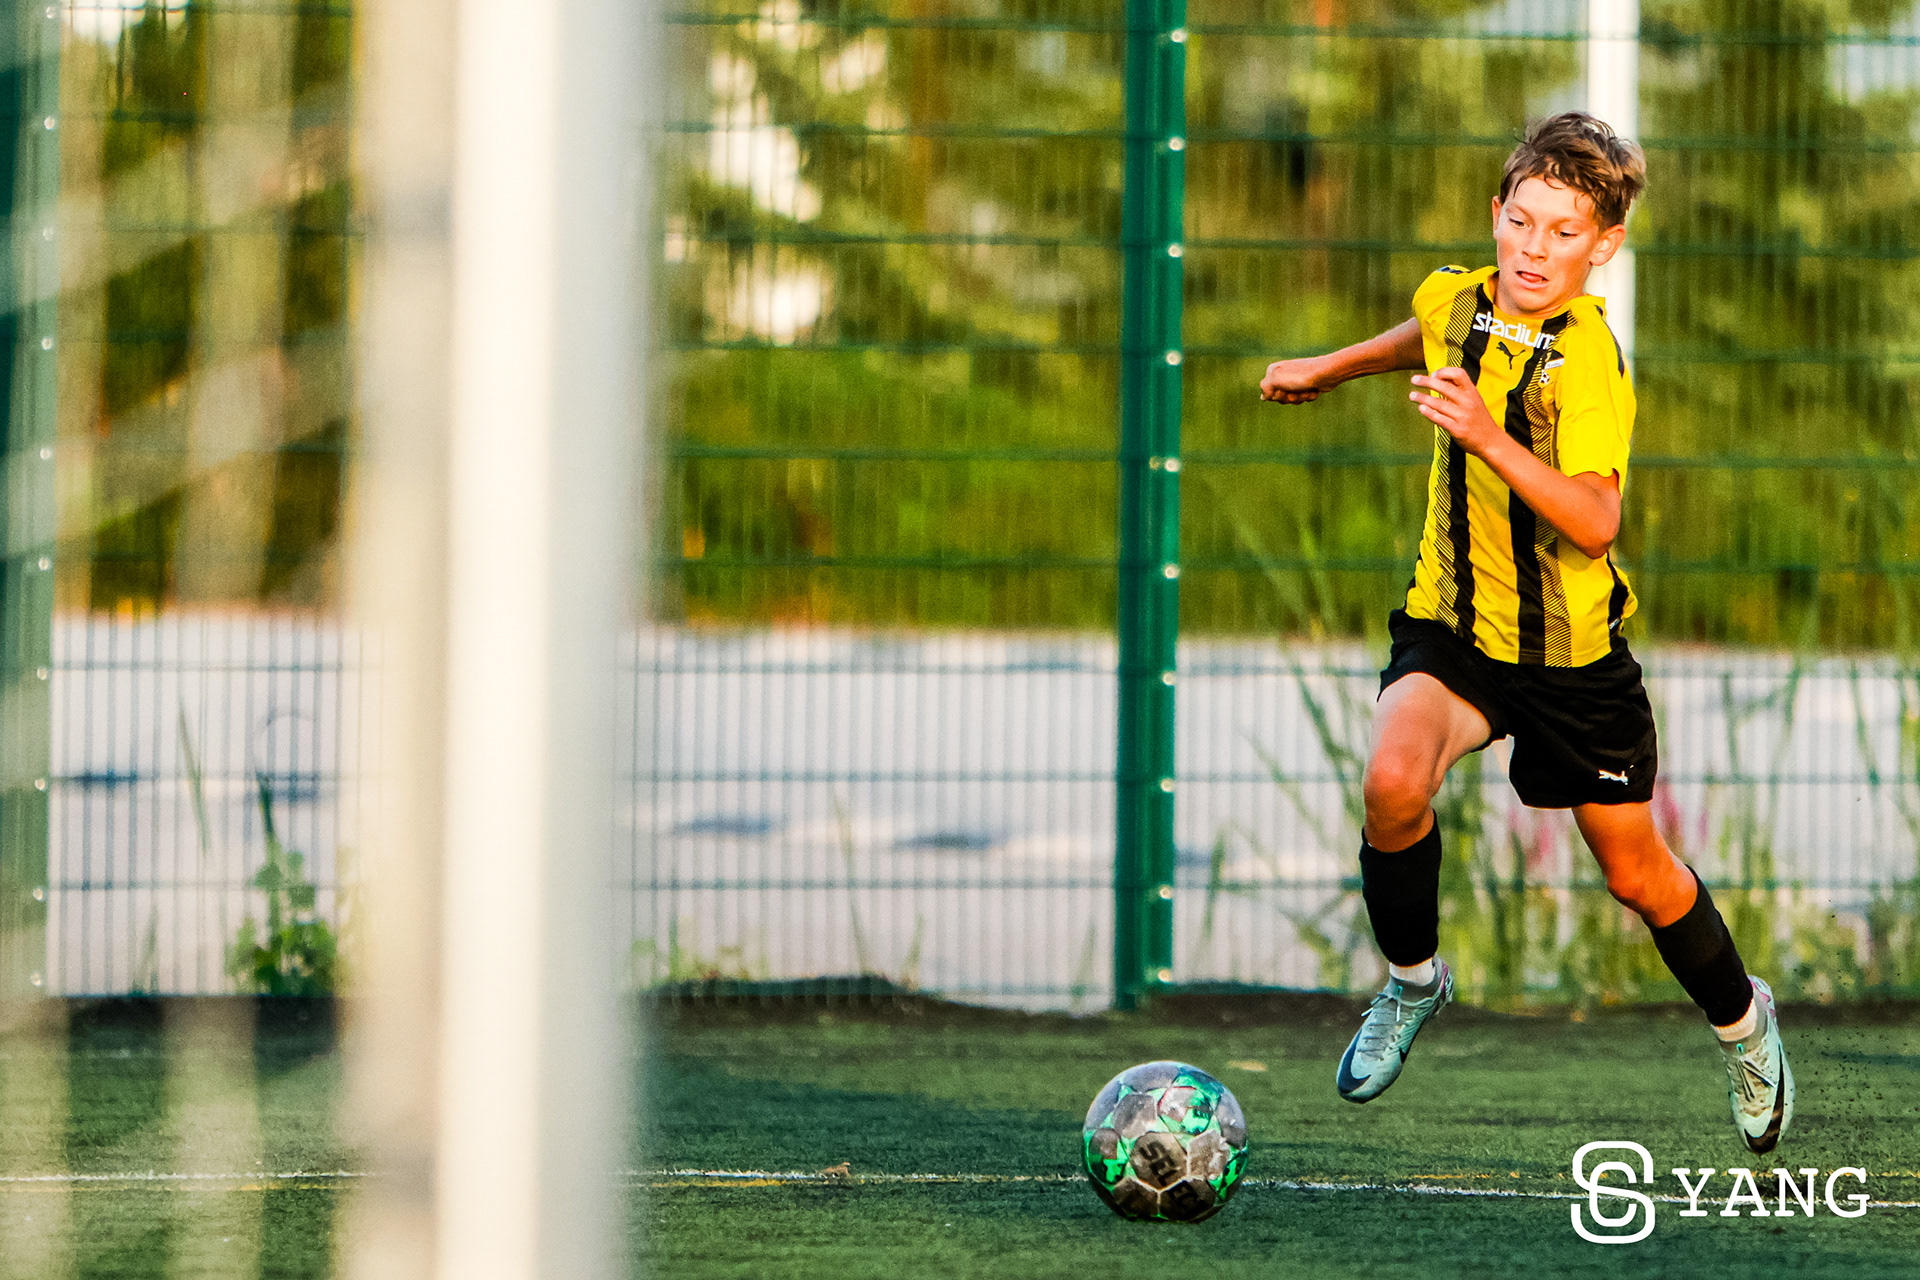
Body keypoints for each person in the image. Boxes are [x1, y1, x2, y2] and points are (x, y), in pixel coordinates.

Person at [1257, 112, 1792, 1154]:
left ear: (1604, 247)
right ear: (1496, 211)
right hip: (1454, 626)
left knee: (1637, 875)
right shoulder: (1458, 296)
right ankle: (1414, 983)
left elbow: (1596, 520)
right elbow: (1426, 331)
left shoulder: (1588, 360)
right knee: (1393, 784)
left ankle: (1743, 1022)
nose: (1534, 249)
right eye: (1521, 220)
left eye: (1563, 232)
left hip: (1571, 661)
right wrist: (1328, 366)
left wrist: (1487, 436)